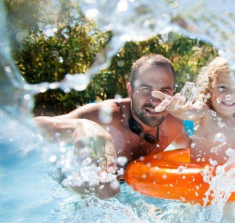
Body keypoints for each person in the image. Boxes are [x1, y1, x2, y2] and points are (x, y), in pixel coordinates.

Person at [34, 54, 190, 198]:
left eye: (164, 91)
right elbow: (35, 126)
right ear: (131, 90)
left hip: (130, 193)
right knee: (107, 188)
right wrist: (80, 126)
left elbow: (199, 152)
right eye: (146, 89)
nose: (155, 101)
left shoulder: (173, 125)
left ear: (173, 93)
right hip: (69, 188)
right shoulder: (106, 116)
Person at [152, 57, 235, 166]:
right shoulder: (205, 113)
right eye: (222, 87)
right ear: (210, 89)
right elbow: (191, 111)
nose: (229, 94)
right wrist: (180, 110)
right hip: (200, 181)